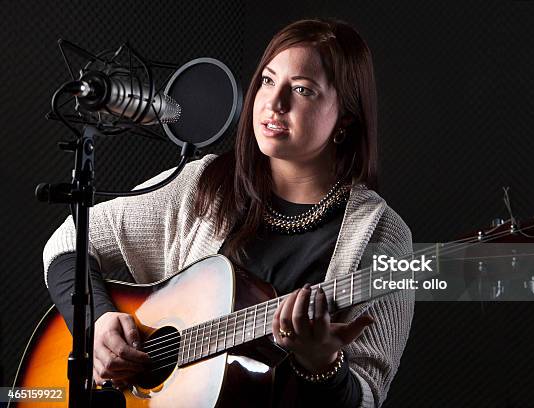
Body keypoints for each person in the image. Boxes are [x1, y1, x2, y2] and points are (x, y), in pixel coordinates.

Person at [43, 18, 414, 407]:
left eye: (302, 90)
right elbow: (68, 242)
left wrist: (322, 363)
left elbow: (366, 398)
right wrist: (97, 320)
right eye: (268, 81)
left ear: (346, 119)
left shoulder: (382, 236)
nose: (275, 103)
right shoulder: (202, 184)